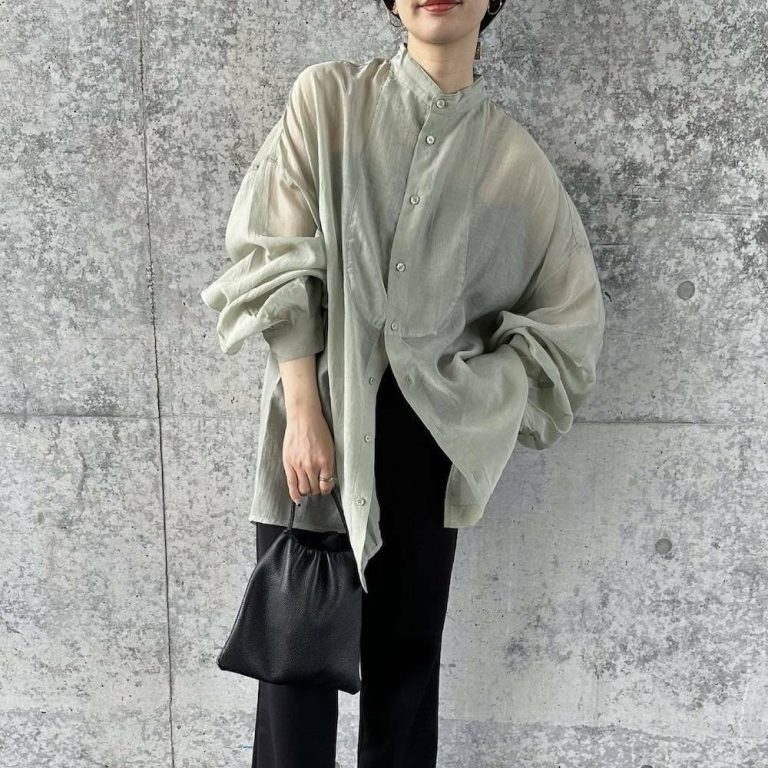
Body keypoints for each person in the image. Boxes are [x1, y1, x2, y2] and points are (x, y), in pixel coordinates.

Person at [200, 0, 606, 765]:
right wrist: (302, 408)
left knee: (406, 686)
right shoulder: (328, 101)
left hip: (427, 445)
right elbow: (272, 246)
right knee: (293, 677)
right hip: (316, 428)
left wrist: (481, 395)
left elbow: (570, 319)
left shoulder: (511, 161)